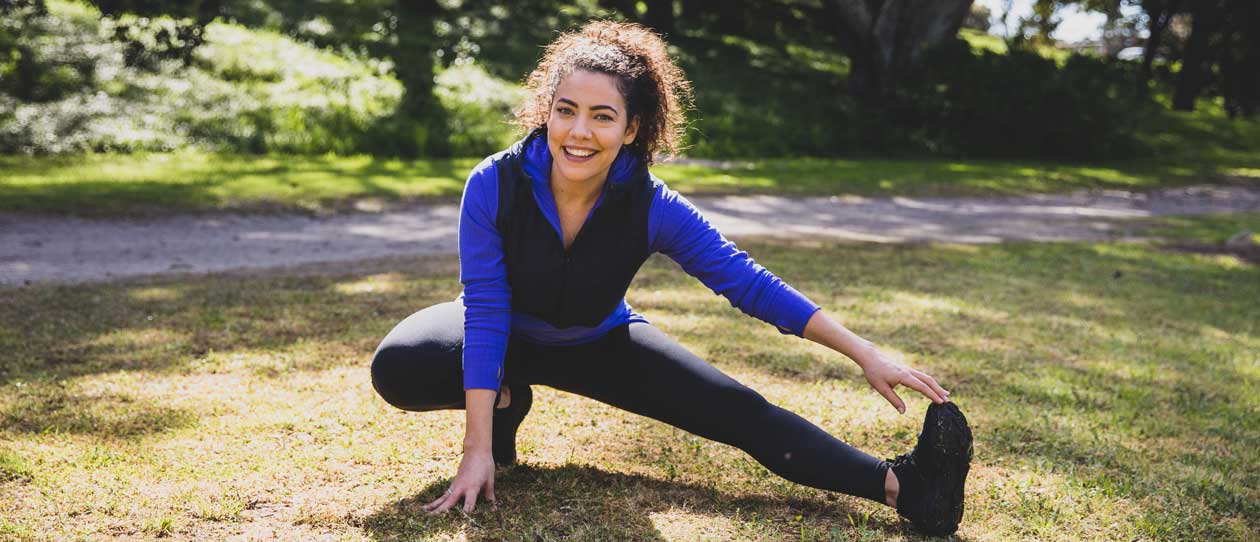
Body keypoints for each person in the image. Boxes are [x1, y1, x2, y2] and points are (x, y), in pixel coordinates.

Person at [370, 20, 973, 536]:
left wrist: (863, 352)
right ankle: (503, 403)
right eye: (566, 111)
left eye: (603, 117)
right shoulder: (493, 184)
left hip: (599, 342)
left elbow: (747, 283)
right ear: (546, 111)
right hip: (504, 338)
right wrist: (476, 451)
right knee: (399, 364)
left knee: (742, 412)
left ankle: (906, 488)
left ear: (632, 129)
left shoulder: (651, 205)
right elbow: (486, 309)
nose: (579, 133)